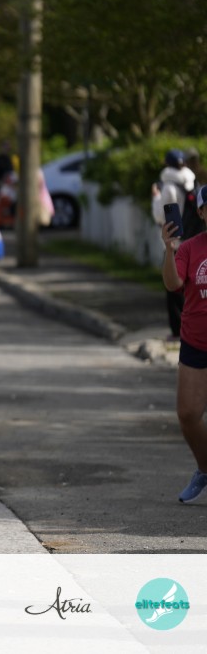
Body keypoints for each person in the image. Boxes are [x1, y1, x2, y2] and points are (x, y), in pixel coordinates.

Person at [160, 185, 207, 503]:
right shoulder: (190, 248)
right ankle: (205, 469)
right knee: (188, 414)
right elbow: (173, 283)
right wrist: (169, 249)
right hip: (195, 341)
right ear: (201, 212)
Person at [152, 149, 197, 337]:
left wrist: (156, 197)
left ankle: (178, 330)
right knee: (193, 289)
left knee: (174, 289)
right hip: (194, 241)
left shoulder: (169, 187)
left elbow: (161, 216)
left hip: (176, 244)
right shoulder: (192, 183)